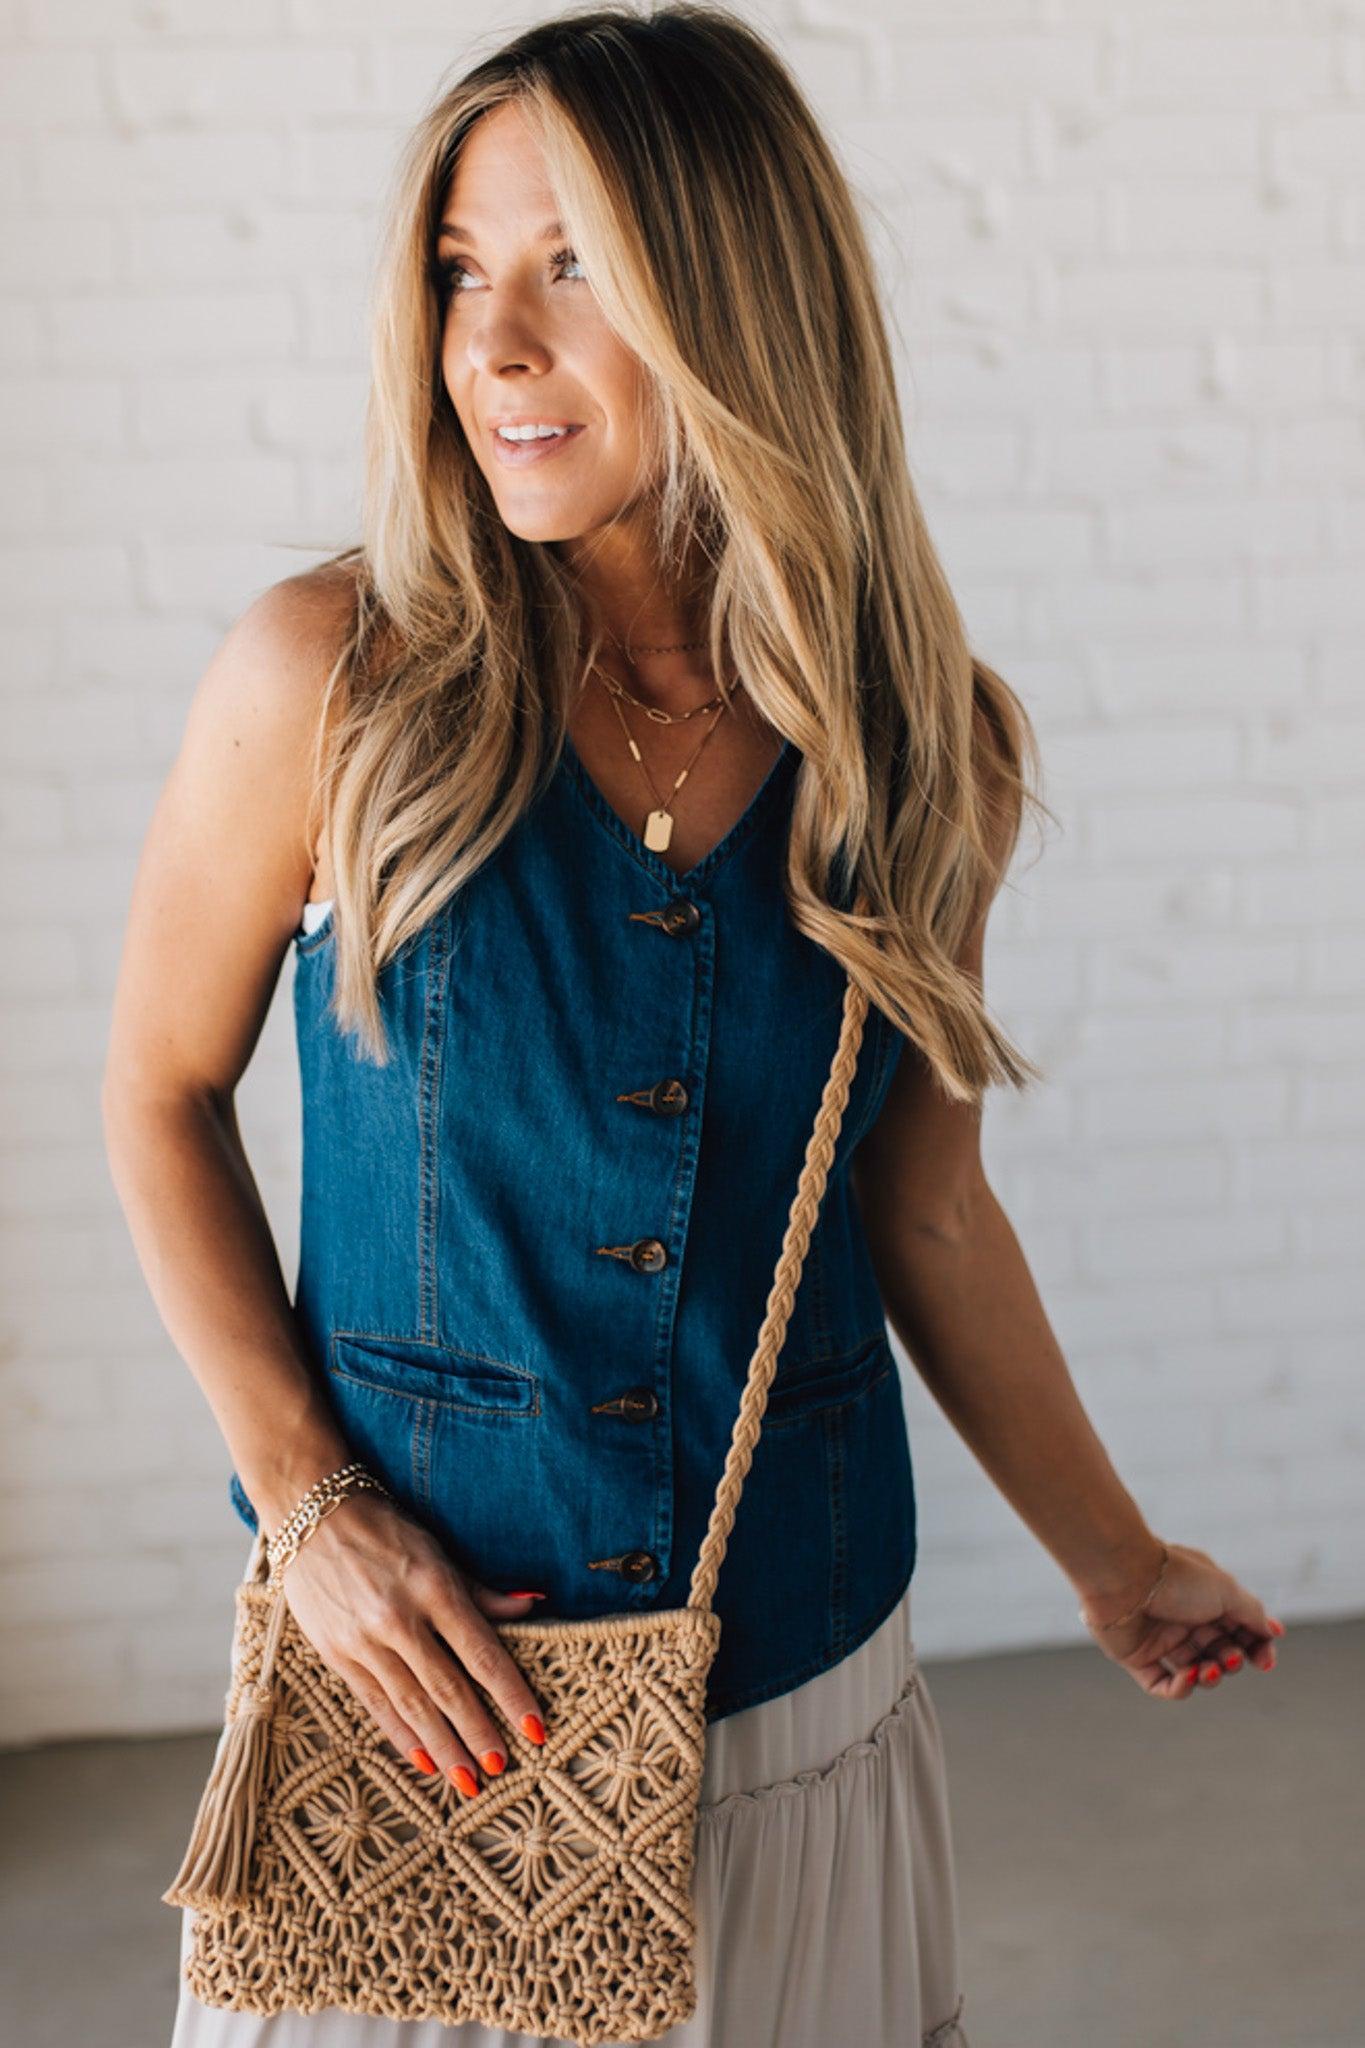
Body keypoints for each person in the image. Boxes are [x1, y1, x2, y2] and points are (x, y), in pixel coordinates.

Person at [101, 7, 1285, 2045]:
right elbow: (157, 1089)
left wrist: (1112, 1556)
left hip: (801, 1675)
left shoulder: (921, 750)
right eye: (460, 275)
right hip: (429, 1688)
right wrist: (310, 1510)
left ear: (734, 293)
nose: (489, 345)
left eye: (570, 266)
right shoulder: (330, 677)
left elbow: (922, 1213)